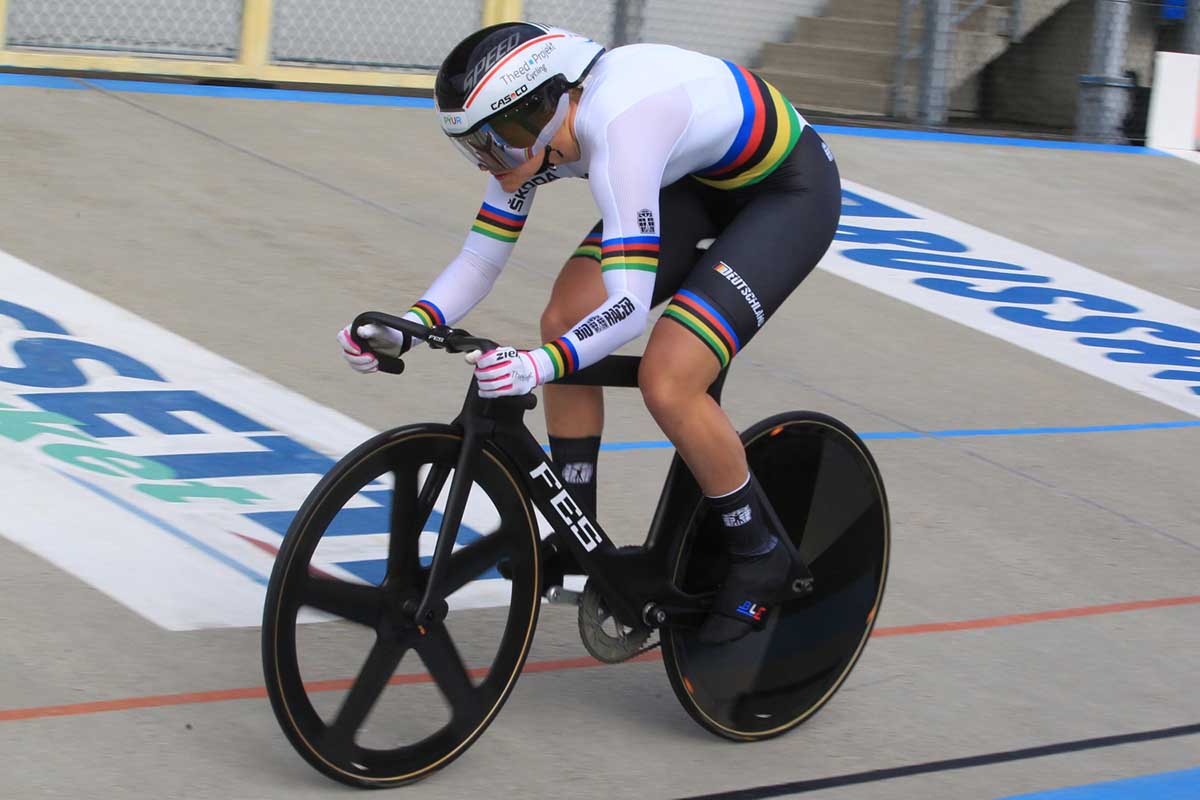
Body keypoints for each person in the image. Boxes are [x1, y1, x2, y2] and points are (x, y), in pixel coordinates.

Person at [338, 22, 842, 643]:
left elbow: (626, 307)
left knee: (669, 379)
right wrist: (411, 327)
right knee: (563, 321)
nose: (489, 162)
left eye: (497, 142)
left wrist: (537, 368)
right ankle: (581, 529)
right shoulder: (535, 138)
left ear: (541, 109)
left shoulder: (619, 130)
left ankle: (758, 550)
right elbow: (479, 260)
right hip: (692, 182)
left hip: (785, 194)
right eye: (473, 148)